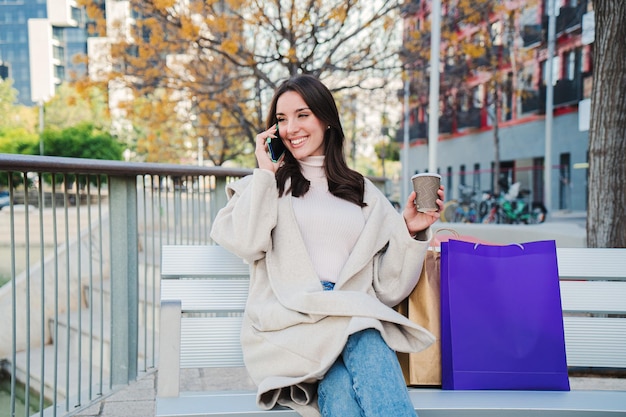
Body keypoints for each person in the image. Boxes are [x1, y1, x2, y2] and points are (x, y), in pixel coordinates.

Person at [210, 74, 444, 417]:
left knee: (343, 392)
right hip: (292, 324)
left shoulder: (362, 191)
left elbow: (389, 288)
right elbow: (247, 243)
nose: (291, 128)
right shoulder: (262, 187)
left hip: (346, 317)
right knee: (365, 331)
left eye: (302, 115)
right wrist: (265, 174)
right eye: (281, 119)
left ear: (326, 120)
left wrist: (410, 229)